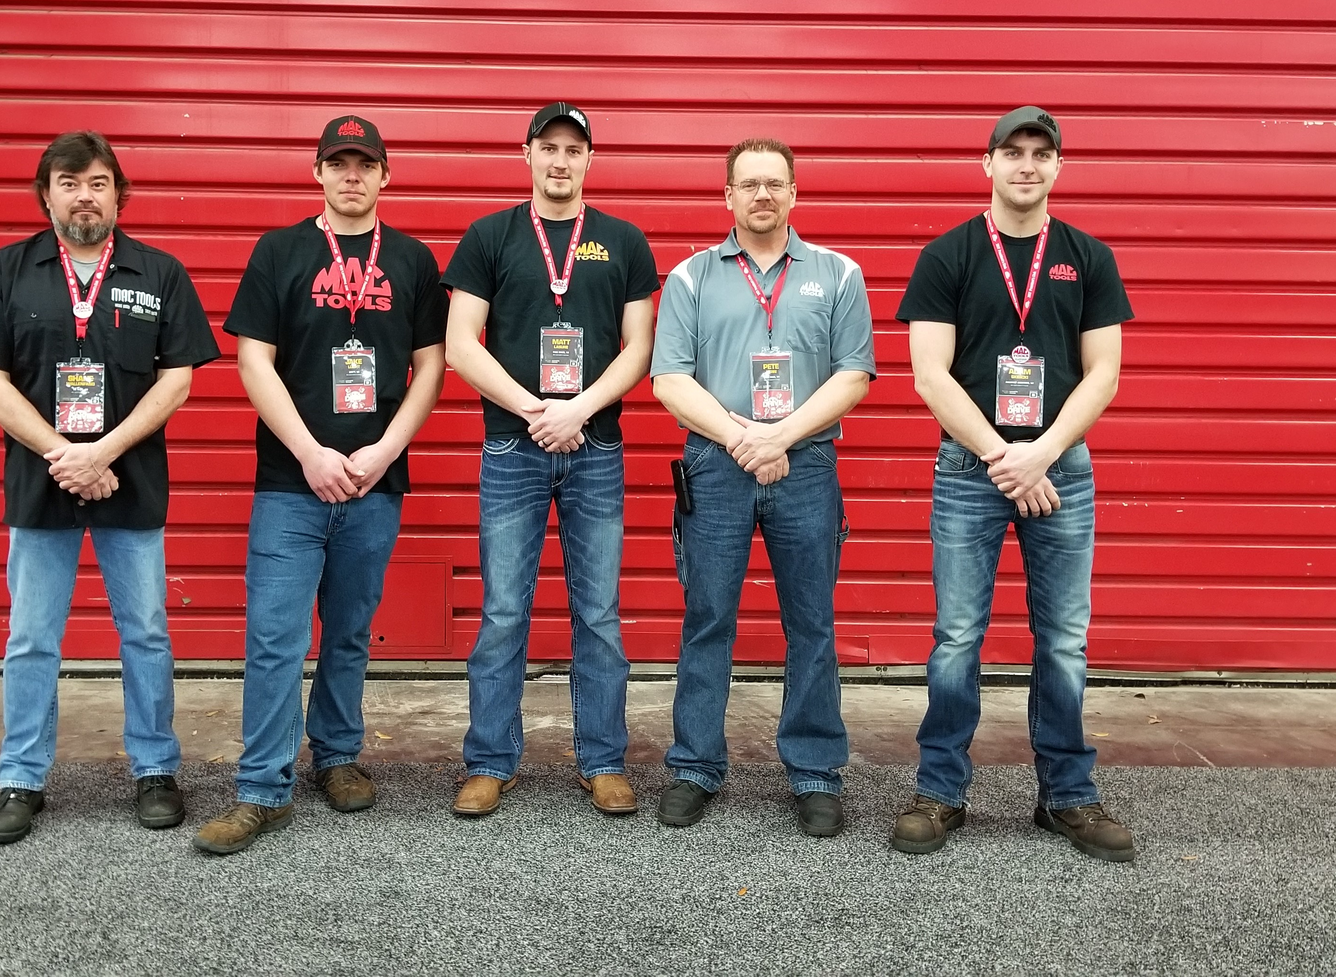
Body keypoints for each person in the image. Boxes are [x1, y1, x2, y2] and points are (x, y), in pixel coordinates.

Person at [0, 130, 221, 844]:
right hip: (42, 484)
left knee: (147, 634)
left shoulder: (158, 272)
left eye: (98, 182)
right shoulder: (9, 270)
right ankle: (21, 779)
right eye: (69, 182)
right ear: (46, 194)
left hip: (130, 480)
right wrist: (61, 452)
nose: (84, 195)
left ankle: (156, 770)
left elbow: (178, 378)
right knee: (32, 638)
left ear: (118, 195)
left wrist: (103, 452)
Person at [191, 116, 447, 855]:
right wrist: (308, 453)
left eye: (364, 164)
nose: (351, 176)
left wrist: (383, 450)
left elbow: (430, 366)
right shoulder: (280, 252)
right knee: (274, 636)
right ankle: (262, 790)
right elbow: (253, 362)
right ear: (317, 174)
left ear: (385, 175)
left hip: (376, 481)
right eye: (338, 163)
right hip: (290, 482)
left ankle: (336, 757)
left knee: (349, 632)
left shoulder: (412, 260)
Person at [891, 107, 1137, 861]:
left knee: (1063, 640)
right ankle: (941, 792)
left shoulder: (1088, 257)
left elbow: (1104, 372)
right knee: (956, 638)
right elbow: (930, 373)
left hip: (1061, 468)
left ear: (1058, 167)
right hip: (970, 469)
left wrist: (1044, 451)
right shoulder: (949, 255)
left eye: (1041, 153)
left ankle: (1068, 796)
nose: (1027, 165)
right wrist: (1005, 454)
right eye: (1013, 152)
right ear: (987, 163)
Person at [649, 137, 875, 837]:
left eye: (775, 184)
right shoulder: (689, 278)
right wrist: (744, 438)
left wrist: (780, 437)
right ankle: (694, 766)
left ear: (795, 193)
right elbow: (670, 379)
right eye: (748, 185)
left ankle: (813, 772)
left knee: (811, 622)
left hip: (805, 466)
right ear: (727, 196)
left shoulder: (839, 275)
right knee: (708, 617)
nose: (763, 196)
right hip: (717, 464)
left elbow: (853, 374)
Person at [442, 102, 658, 817]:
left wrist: (578, 409)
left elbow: (640, 349)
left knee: (597, 612)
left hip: (595, 446)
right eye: (548, 148)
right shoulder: (489, 236)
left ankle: (602, 760)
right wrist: (537, 410)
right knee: (505, 610)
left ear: (590, 159)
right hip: (513, 445)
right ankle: (490, 761)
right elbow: (461, 344)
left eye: (574, 149)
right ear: (526, 155)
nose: (560, 161)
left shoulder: (623, 241)